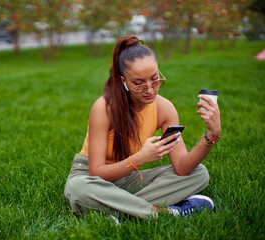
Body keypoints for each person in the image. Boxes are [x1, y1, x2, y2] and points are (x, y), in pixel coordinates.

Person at [64, 35, 221, 220]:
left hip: (129, 178)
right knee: (79, 189)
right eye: (138, 83)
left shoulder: (164, 108)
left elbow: (182, 168)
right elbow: (97, 173)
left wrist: (212, 135)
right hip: (93, 177)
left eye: (155, 79)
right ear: (123, 81)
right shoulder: (104, 107)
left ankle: (114, 209)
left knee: (199, 173)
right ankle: (164, 213)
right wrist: (139, 159)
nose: (150, 89)